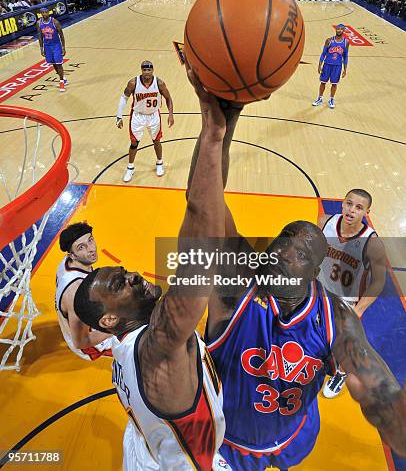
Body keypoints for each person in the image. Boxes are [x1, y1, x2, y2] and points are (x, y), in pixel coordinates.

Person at [184, 83, 406, 470]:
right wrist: (221, 124)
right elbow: (205, 198)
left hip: (293, 436)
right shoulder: (235, 285)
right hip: (225, 440)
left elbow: (381, 389)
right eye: (282, 240)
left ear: (315, 271)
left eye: (301, 252)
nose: (284, 251)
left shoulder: (336, 319)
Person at [74, 72, 231, 470]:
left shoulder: (123, 340)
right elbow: (199, 254)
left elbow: (198, 206)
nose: (132, 276)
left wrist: (221, 120)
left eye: (122, 272)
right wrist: (213, 135)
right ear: (110, 317)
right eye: (118, 283)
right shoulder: (159, 346)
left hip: (147, 446)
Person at [318, 189, 387, 398]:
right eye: (349, 204)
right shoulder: (324, 222)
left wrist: (359, 309)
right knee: (316, 330)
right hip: (320, 291)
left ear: (367, 212)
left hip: (347, 301)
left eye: (359, 208)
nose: (352, 210)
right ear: (342, 204)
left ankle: (340, 372)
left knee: (346, 343)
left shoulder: (372, 243)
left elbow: (378, 282)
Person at [56, 222, 113, 360]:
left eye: (90, 240)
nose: (91, 249)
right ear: (73, 255)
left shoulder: (67, 263)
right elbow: (81, 342)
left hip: (86, 319)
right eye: (82, 247)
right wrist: (121, 326)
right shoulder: (77, 293)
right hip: (91, 346)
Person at [116, 61, 174, 182]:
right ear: (141, 70)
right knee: (134, 143)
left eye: (149, 70)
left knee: (157, 141)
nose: (146, 73)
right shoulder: (133, 83)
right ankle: (130, 168)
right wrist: (119, 116)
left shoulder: (159, 83)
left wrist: (170, 114)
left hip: (154, 116)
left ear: (153, 70)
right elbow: (124, 98)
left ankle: (159, 163)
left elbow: (168, 98)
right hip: (138, 116)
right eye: (144, 70)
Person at [312, 24, 349, 109]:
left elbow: (345, 56)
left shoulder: (346, 42)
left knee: (334, 84)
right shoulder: (329, 40)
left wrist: (345, 69)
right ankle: (320, 98)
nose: (339, 30)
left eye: (341, 29)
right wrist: (319, 65)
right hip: (327, 64)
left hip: (337, 66)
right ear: (335, 30)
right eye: (338, 29)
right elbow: (323, 53)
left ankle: (331, 99)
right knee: (323, 82)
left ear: (343, 31)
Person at [37, 8, 67, 93]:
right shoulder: (39, 23)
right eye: (42, 12)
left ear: (48, 13)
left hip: (56, 45)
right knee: (53, 63)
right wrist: (41, 48)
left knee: (59, 63)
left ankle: (61, 82)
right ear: (41, 14)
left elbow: (61, 35)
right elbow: (40, 36)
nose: (44, 14)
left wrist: (63, 47)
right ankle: (64, 79)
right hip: (47, 46)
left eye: (45, 12)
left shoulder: (55, 22)